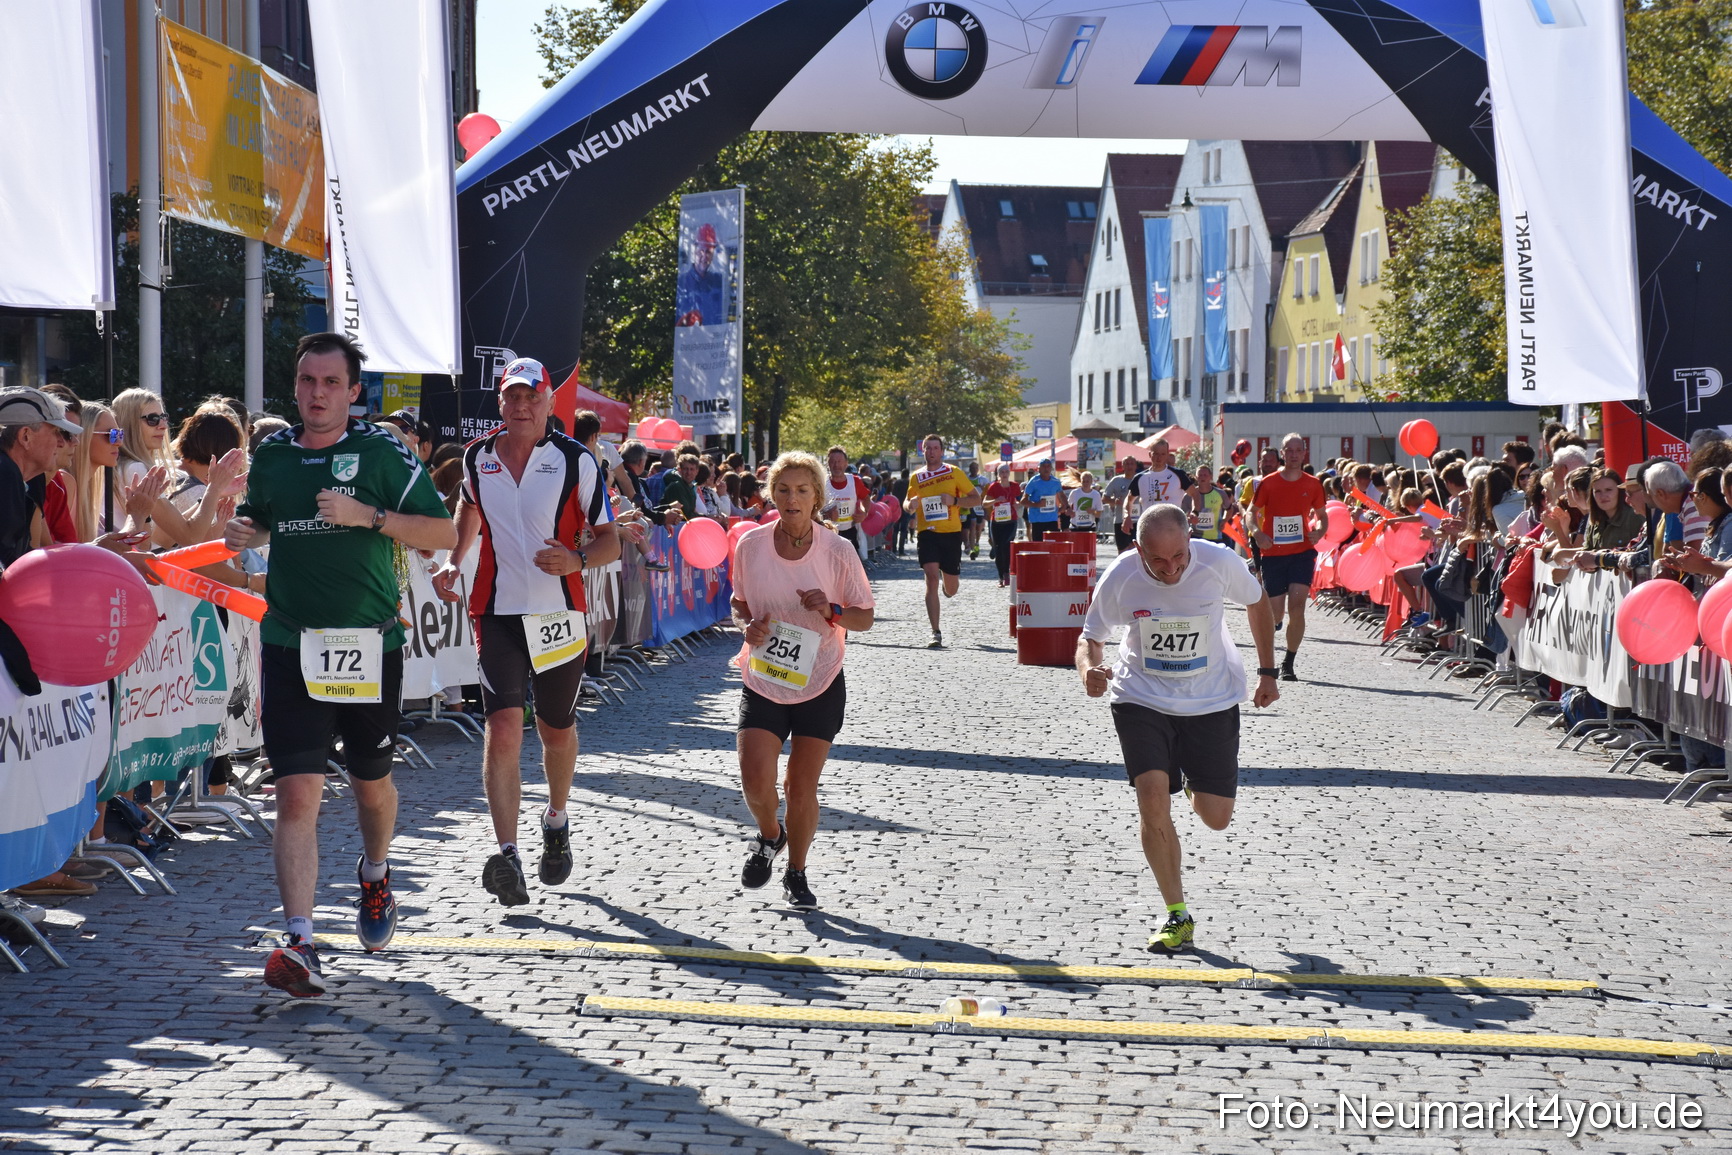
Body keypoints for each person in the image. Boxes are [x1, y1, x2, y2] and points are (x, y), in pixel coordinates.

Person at [225, 333, 456, 997]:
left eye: (330, 382)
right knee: (297, 790)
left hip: (367, 646)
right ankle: (301, 939)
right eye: (306, 381)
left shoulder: (379, 452)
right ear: (294, 386)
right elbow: (264, 518)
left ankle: (376, 872)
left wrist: (369, 515)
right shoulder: (273, 456)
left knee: (369, 785)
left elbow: (440, 533)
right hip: (291, 641)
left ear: (355, 392)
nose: (316, 394)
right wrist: (247, 531)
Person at [433, 359, 619, 908]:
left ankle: (556, 819)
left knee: (555, 728)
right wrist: (453, 560)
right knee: (505, 727)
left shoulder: (575, 460)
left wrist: (576, 559)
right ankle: (508, 854)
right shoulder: (477, 457)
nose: (520, 406)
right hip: (495, 611)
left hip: (558, 614)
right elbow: (470, 508)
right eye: (511, 397)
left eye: (530, 397)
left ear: (547, 403)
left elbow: (610, 541)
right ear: (500, 403)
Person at [1077, 503, 1279, 952]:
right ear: (1137, 549)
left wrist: (1268, 671)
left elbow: (1257, 600)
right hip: (1141, 697)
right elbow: (1090, 636)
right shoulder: (1122, 576)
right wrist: (1089, 668)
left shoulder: (1219, 561)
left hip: (1211, 700)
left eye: (1179, 558)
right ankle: (1177, 915)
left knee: (1216, 818)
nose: (1170, 570)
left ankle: (1187, 780)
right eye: (1158, 561)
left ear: (1190, 542)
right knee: (1150, 799)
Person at [730, 451, 875, 909]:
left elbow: (865, 617)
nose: (792, 498)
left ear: (817, 498)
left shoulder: (838, 550)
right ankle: (770, 836)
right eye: (784, 489)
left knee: (799, 786)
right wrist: (745, 626)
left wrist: (831, 610)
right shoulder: (750, 545)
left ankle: (797, 870)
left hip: (820, 677)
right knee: (755, 781)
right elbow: (739, 604)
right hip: (765, 676)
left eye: (802, 490)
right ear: (772, 494)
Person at [1247, 433, 1329, 681]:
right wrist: (1258, 533)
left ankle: (1288, 662)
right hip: (1273, 553)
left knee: (1298, 607)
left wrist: (1320, 531)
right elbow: (1251, 513)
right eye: (1289, 450)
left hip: (1302, 553)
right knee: (1276, 613)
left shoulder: (1313, 484)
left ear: (1304, 453)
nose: (1294, 454)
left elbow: (1323, 516)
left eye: (1298, 450)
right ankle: (1269, 654)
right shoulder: (1269, 483)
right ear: (1282, 453)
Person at [904, 434, 979, 648]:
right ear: (923, 450)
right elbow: (907, 502)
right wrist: (910, 505)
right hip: (927, 533)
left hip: (951, 534)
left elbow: (976, 499)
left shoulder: (954, 473)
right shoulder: (917, 477)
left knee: (952, 588)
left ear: (942, 451)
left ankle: (949, 587)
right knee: (930, 577)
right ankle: (935, 632)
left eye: (935, 448)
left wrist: (954, 500)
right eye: (928, 448)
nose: (931, 452)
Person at [0, 388, 82, 565]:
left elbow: (21, 559)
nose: (62, 442)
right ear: (25, 436)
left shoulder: (20, 478)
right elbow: (11, 566)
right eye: (55, 432)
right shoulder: (6, 473)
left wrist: (94, 552)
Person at [1122, 439, 1191, 540]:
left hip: (1173, 525)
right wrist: (1126, 516)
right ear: (1150, 455)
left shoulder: (1178, 474)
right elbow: (1129, 500)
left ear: (1167, 455)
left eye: (1163, 454)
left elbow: (1195, 494)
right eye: (1156, 454)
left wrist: (1195, 512)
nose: (1159, 458)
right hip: (1150, 526)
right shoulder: (1140, 477)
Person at [821, 446, 872, 559]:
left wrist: (864, 513)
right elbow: (812, 506)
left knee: (849, 568)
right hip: (828, 532)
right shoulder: (822, 482)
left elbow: (866, 498)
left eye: (839, 461)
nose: (836, 465)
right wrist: (825, 515)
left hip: (849, 531)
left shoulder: (854, 481)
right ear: (828, 464)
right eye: (833, 462)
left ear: (846, 464)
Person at [676, 222, 726, 326]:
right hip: (690, 340)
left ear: (712, 255)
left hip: (715, 339)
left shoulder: (719, 281)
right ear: (694, 251)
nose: (704, 256)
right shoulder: (682, 282)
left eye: (708, 252)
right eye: (701, 251)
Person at [983, 463, 1021, 586]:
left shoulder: (1014, 486)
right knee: (999, 549)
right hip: (997, 522)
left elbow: (1021, 500)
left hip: (1011, 521)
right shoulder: (993, 487)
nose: (1004, 474)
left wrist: (1018, 504)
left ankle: (1007, 573)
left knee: (1006, 545)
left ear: (1009, 473)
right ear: (998, 474)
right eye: (1002, 472)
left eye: (1006, 472)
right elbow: (984, 504)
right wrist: (995, 500)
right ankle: (1001, 577)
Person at [1020, 458, 1065, 542]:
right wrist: (1037, 504)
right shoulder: (1033, 481)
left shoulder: (1056, 482)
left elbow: (1062, 495)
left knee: (1051, 546)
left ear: (1051, 468)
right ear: (1039, 469)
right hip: (1037, 520)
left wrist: (1064, 506)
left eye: (1048, 466)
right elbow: (1023, 501)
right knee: (1039, 547)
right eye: (1043, 466)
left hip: (1052, 519)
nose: (1046, 468)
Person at [1104, 456, 1140, 553]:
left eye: (1131, 464)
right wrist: (1113, 501)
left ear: (1135, 466)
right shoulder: (1116, 481)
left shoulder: (1141, 479)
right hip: (1121, 520)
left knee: (1136, 550)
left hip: (1138, 520)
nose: (1129, 466)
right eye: (1127, 464)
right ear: (1123, 466)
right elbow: (1104, 498)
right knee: (1122, 551)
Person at [1069, 471, 1104, 536]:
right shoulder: (1074, 493)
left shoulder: (1096, 494)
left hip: (1090, 527)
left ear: (1091, 482)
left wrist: (1092, 511)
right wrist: (1070, 512)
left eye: (1087, 481)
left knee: (1088, 546)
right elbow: (1067, 508)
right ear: (1081, 481)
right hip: (1075, 527)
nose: (1085, 484)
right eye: (1083, 481)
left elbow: (1098, 514)